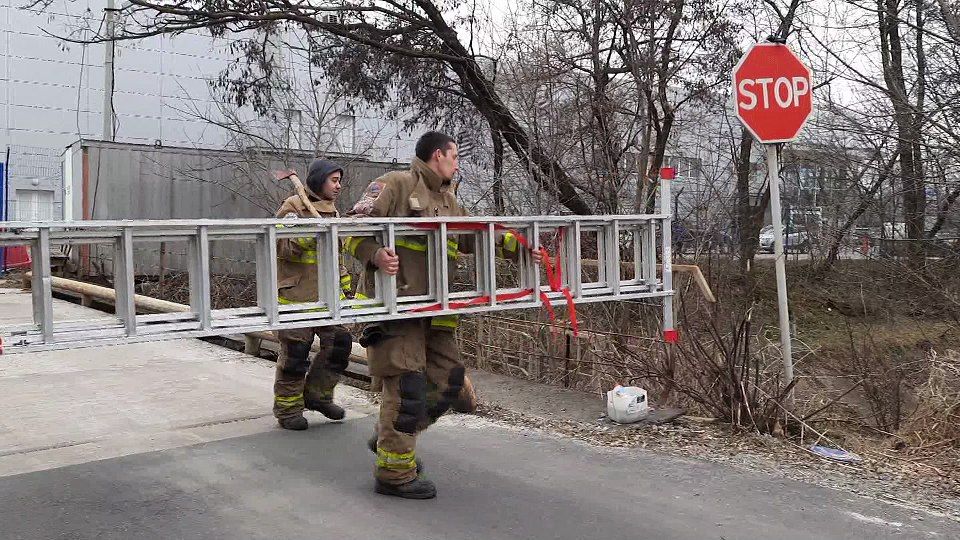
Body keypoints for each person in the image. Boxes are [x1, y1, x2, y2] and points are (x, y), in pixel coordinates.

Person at [343, 131, 537, 499]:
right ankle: (394, 474)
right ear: (438, 156)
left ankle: (390, 438)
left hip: (436, 312)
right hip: (397, 309)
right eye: (455, 156)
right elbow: (349, 229)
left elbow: (474, 235)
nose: (458, 163)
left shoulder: (448, 200)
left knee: (448, 382)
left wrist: (521, 247)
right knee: (407, 388)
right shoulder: (394, 185)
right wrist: (375, 254)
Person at [272, 159, 354, 430]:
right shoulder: (293, 207)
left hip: (328, 298)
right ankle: (287, 410)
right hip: (296, 297)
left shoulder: (333, 213)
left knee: (340, 344)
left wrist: (344, 287)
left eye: (339, 180)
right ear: (319, 180)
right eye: (334, 180)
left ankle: (318, 395)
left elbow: (337, 255)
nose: (339, 186)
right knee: (296, 355)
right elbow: (282, 247)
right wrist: (311, 234)